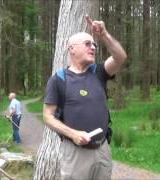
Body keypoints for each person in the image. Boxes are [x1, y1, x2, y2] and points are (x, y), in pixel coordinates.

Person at [43, 15, 127, 180]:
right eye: (87, 44)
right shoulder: (59, 79)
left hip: (102, 149)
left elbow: (120, 57)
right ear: (72, 49)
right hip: (75, 154)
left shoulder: (99, 72)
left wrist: (103, 35)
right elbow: (47, 116)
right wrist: (73, 134)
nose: (93, 47)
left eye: (94, 44)